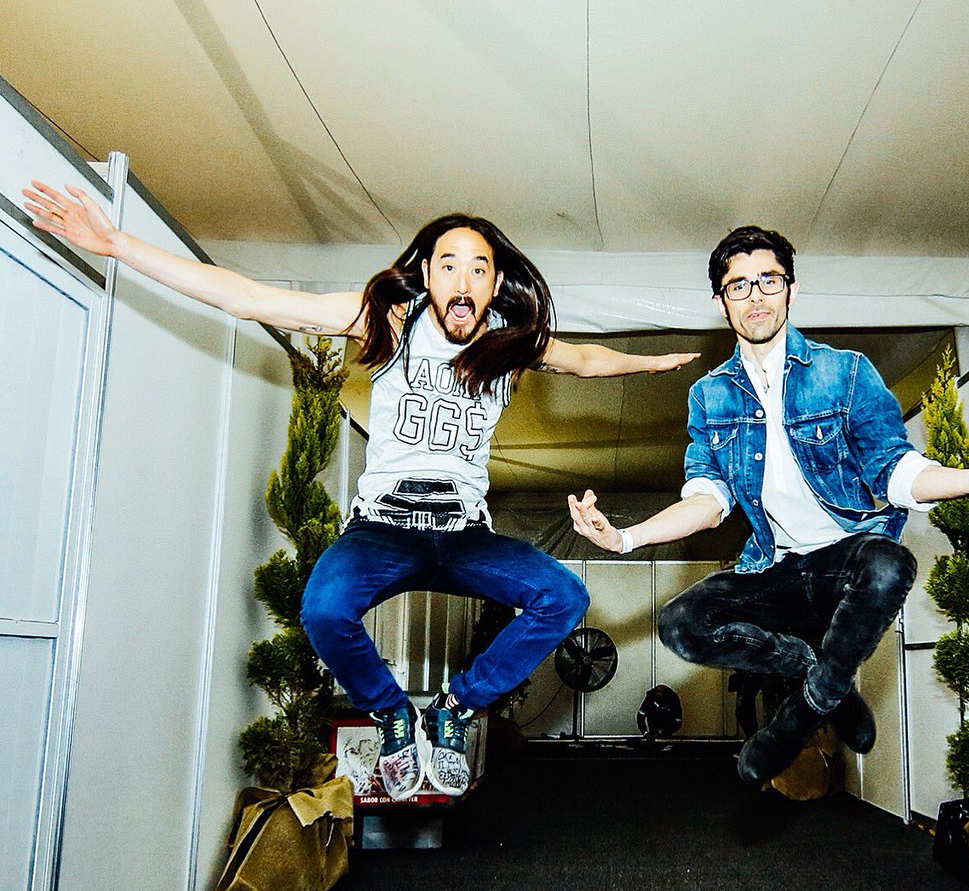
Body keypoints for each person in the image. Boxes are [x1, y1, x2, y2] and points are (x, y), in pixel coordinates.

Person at [25, 181, 697, 800]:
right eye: (449, 264)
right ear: (427, 276)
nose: (464, 278)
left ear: (495, 285)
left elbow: (583, 359)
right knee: (324, 607)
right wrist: (115, 244)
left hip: (465, 536)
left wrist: (650, 360)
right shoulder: (387, 321)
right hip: (383, 530)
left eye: (479, 268)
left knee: (564, 594)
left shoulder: (506, 343)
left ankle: (459, 707)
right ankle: (392, 712)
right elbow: (248, 296)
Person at [568, 225, 969, 788]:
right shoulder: (709, 395)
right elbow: (707, 499)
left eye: (769, 280)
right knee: (680, 623)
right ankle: (822, 678)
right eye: (738, 285)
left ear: (791, 290)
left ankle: (799, 715)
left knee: (890, 561)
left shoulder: (845, 372)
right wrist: (624, 539)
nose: (756, 296)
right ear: (720, 302)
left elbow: (898, 472)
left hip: (845, 560)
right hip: (779, 569)